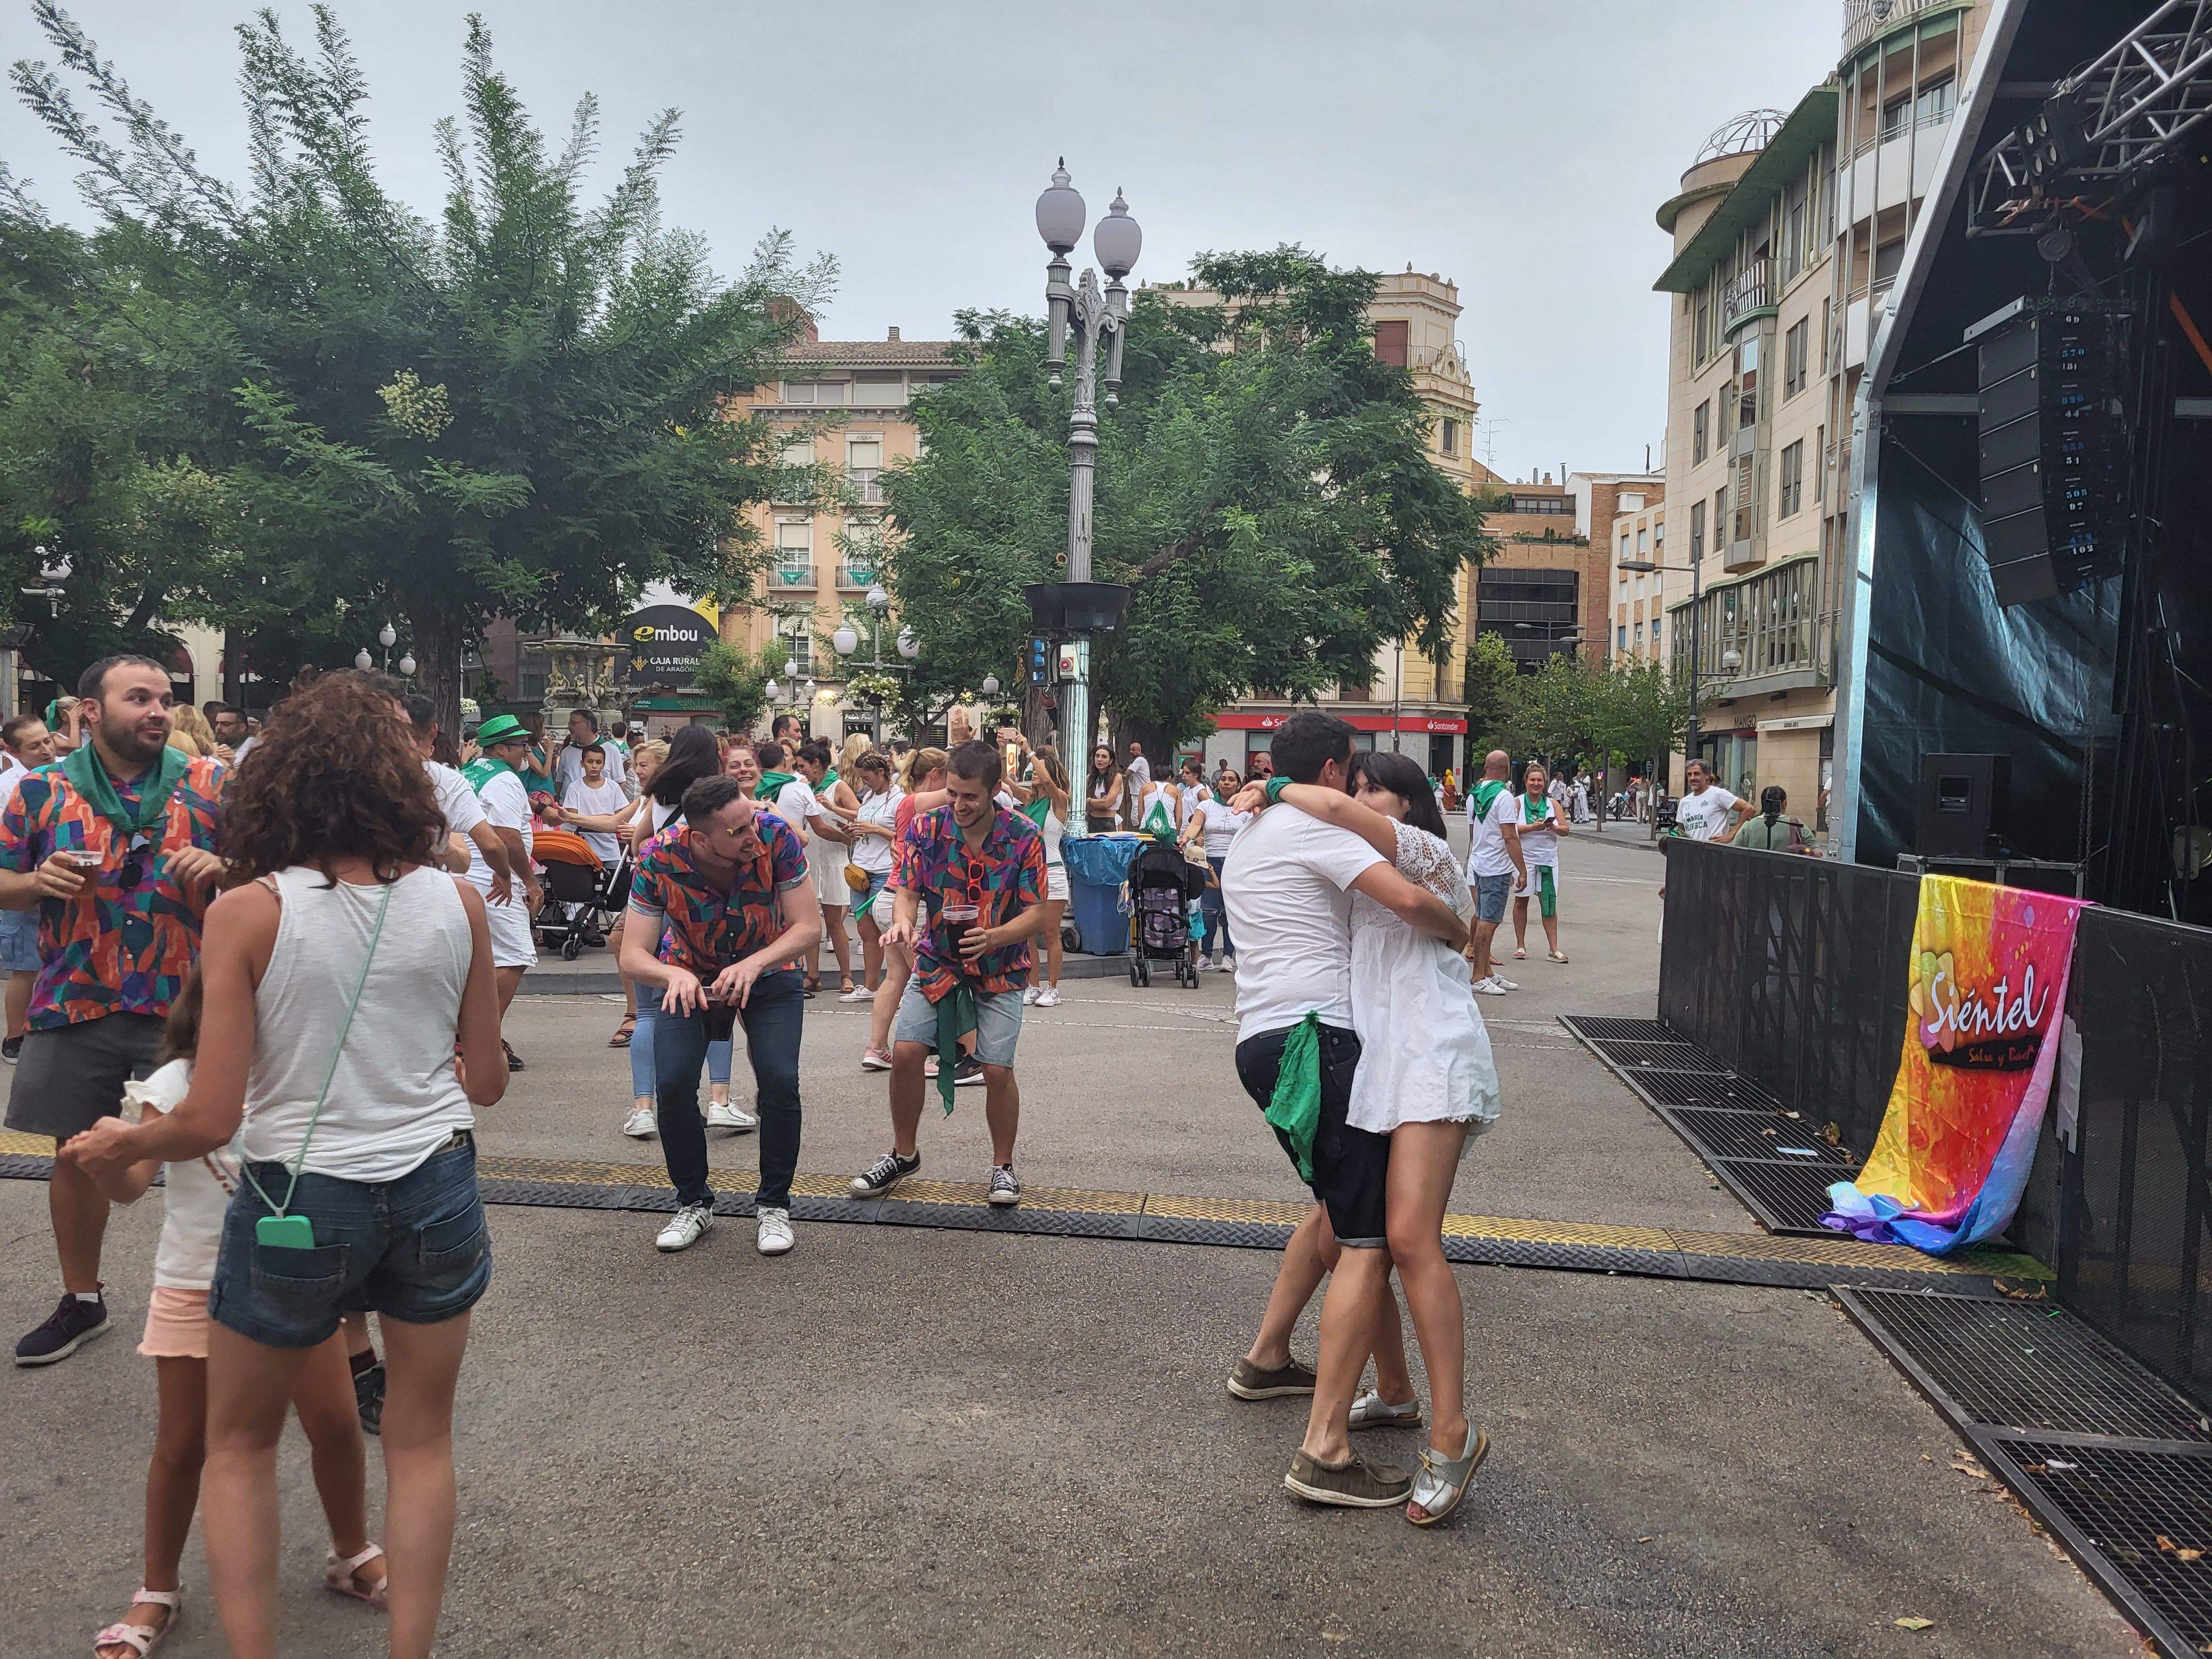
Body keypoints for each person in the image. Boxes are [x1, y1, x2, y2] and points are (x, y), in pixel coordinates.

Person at [63, 669, 505, 1659]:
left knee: (239, 1444)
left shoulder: (249, 911)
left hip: (298, 1196)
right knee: (421, 1440)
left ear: (280, 785)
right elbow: (485, 1082)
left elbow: (212, 1117)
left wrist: (127, 1141)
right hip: (435, 1179)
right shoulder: (458, 902)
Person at [72, 972, 389, 1658]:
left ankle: (350, 1551)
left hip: (291, 1279)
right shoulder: (176, 1085)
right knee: (183, 1444)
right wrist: (103, 1160)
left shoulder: (299, 1079)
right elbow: (130, 1185)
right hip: (195, 1284)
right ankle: (158, 1588)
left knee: (336, 1425)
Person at [1233, 748, 1499, 1524]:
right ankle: (1393, 1390)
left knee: (1408, 1240)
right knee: (1352, 1233)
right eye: (1354, 786)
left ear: (1408, 802)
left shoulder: (1425, 852)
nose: (1356, 799)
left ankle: (1452, 1435)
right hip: (1383, 1066)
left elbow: (1338, 814)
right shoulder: (1355, 867)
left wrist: (1272, 785)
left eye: (1373, 789)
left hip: (1432, 1055)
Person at [1, 655, 225, 1368]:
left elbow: (276, 869)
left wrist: (227, 868)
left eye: (164, 698)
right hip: (75, 998)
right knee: (75, 1154)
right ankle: (82, 1298)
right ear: (90, 711)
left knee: (218, 1153)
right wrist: (34, 882)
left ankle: (231, 1298)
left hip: (188, 1005)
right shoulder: (41, 790)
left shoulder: (211, 784)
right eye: (139, 698)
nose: (158, 710)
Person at [620, 773, 823, 1255]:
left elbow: (808, 927)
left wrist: (754, 964)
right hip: (689, 974)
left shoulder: (776, 837)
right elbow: (633, 954)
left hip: (769, 969)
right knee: (673, 1084)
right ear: (700, 839)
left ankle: (774, 1206)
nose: (753, 835)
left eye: (751, 820)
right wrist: (672, 975)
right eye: (738, 831)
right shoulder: (659, 857)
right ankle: (694, 1202)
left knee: (779, 1079)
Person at [851, 740, 1047, 1207]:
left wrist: (994, 937)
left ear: (995, 790)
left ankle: (1003, 1167)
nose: (959, 805)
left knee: (996, 1069)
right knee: (905, 1052)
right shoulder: (928, 827)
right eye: (953, 793)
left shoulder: (1024, 835)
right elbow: (907, 890)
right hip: (938, 959)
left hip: (1000, 967)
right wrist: (903, 920)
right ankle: (904, 1154)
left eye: (970, 797)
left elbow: (1039, 913)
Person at [612, 729, 745, 1138]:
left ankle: (643, 1108)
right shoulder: (714, 798)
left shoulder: (661, 793)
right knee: (717, 1003)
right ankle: (720, 1100)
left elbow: (639, 844)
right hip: (698, 911)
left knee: (648, 1012)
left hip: (653, 907)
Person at [459, 714, 542, 1070]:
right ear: (502, 749)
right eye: (522, 745)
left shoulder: (470, 772)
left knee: (481, 963)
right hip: (495, 880)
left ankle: (473, 1036)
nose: (527, 750)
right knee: (515, 956)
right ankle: (479, 1038)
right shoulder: (505, 780)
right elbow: (507, 837)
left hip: (465, 878)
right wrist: (529, 880)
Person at [860, 747, 947, 1072]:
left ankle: (877, 1048)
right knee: (926, 979)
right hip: (907, 901)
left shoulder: (907, 801)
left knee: (897, 976)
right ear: (936, 774)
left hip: (891, 896)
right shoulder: (913, 801)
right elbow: (959, 793)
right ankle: (920, 1054)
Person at [406, 696, 513, 894]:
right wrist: (504, 874)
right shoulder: (448, 780)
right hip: (423, 893)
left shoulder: (362, 774)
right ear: (434, 730)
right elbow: (491, 845)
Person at [0, 713, 56, 1064]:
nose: (46, 749)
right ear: (13, 751)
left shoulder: (61, 776)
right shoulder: (8, 786)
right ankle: (14, 1038)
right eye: (35, 746)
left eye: (47, 740)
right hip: (24, 887)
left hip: (59, 886)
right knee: (25, 968)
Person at [796, 739, 861, 998]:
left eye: (803, 766)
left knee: (835, 922)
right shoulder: (804, 788)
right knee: (810, 922)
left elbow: (861, 814)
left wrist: (835, 810)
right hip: (810, 858)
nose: (800, 771)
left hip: (834, 859)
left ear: (816, 764)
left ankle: (847, 975)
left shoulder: (839, 786)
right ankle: (812, 976)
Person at [1462, 749, 1527, 998]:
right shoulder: (1504, 796)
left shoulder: (1473, 795)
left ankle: (1487, 972)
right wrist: (1521, 869)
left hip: (1479, 864)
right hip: (1496, 867)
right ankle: (1478, 976)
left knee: (1483, 917)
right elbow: (1510, 836)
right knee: (1489, 922)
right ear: (1507, 769)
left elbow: (1473, 833)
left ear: (1486, 767)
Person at [846, 750, 903, 1015]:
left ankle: (898, 985)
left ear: (882, 773)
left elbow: (903, 835)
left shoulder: (898, 799)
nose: (864, 783)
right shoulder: (869, 797)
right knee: (866, 930)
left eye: (867, 777)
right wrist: (855, 829)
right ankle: (871, 985)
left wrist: (875, 829)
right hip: (861, 868)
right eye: (861, 778)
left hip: (883, 870)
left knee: (887, 930)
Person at [1019, 746, 1072, 1008]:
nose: (1034, 774)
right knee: (1028, 933)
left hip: (1052, 872)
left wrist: (1029, 751)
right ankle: (1033, 986)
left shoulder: (1059, 800)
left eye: (1039, 770)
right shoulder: (1030, 802)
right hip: (1030, 873)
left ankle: (1053, 988)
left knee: (1051, 932)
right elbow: (1003, 782)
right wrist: (1003, 750)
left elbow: (1050, 783)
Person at [1182, 766, 1250, 972]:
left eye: (1231, 780)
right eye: (1223, 779)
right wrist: (1185, 839)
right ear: (1217, 784)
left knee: (1230, 912)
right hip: (1209, 863)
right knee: (1209, 912)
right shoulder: (1207, 805)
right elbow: (1195, 824)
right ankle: (1207, 955)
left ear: (1238, 785)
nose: (1226, 782)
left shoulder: (1245, 808)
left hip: (1235, 863)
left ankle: (1229, 956)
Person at [1510, 760, 1571, 965]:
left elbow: (1566, 829)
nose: (1536, 784)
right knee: (1521, 901)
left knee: (1549, 903)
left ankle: (1554, 949)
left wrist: (1553, 828)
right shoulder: (1517, 803)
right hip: (1524, 860)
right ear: (1525, 781)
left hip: (1547, 860)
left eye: (1540, 780)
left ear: (1545, 783)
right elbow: (1509, 830)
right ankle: (1520, 945)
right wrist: (1531, 828)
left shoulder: (1553, 804)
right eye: (1532, 780)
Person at [552, 706, 628, 796]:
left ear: (588, 725)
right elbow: (559, 784)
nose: (569, 727)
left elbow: (620, 784)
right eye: (570, 724)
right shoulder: (567, 753)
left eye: (573, 723)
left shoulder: (611, 751)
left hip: (601, 803)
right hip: (570, 803)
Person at [1675, 758, 1752, 843]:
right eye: (1690, 775)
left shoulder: (1718, 794)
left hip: (1715, 849)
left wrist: (1731, 835)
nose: (1692, 778)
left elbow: (1749, 809)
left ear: (1707, 776)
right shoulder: (1684, 802)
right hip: (1693, 849)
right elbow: (1681, 830)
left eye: (1697, 774)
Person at [1730, 785, 1812, 853]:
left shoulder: (1748, 825)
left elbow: (1735, 852)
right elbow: (1817, 851)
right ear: (1784, 803)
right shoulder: (1797, 824)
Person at [1085, 744, 1124, 833]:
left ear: (1111, 760)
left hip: (1108, 823)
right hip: (1090, 822)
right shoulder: (1089, 778)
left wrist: (1089, 800)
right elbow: (1086, 806)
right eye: (1097, 756)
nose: (1100, 760)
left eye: (1104, 757)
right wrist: (1099, 803)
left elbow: (1107, 804)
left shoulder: (1117, 778)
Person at [1125, 738, 1152, 803]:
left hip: (1140, 792)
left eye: (1133, 750)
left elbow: (1128, 773)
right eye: (1130, 750)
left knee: (1137, 809)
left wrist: (1119, 774)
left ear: (1139, 750)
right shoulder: (1137, 760)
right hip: (1141, 791)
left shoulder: (1139, 759)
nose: (1131, 752)